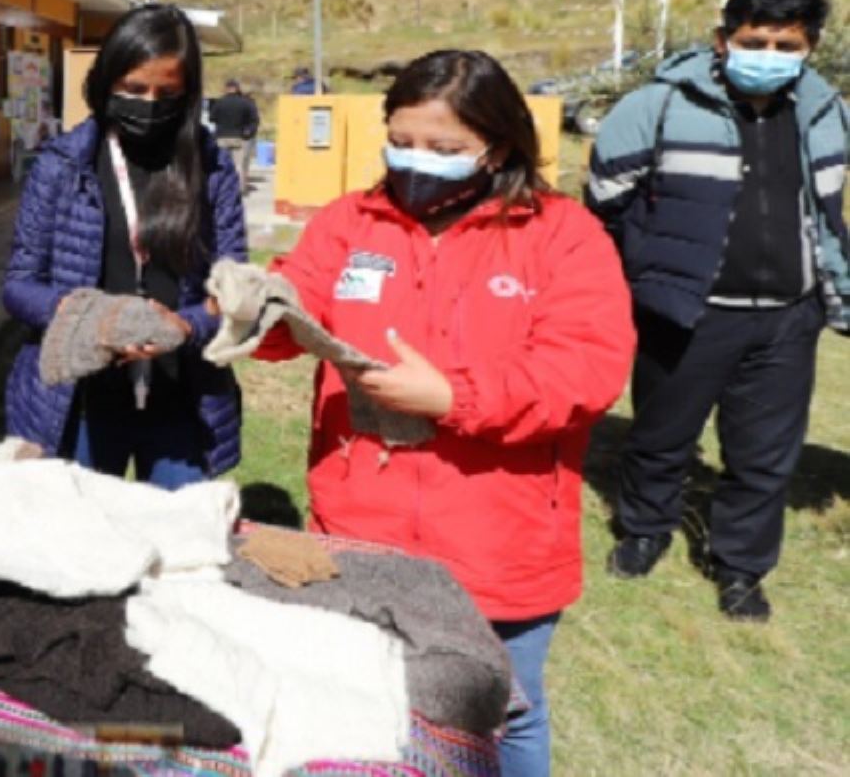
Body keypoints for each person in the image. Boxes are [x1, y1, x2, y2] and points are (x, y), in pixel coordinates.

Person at [254, 50, 633, 777]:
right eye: (401, 140)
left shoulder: (562, 235)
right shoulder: (350, 223)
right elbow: (293, 314)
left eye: (446, 149)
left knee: (502, 709)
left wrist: (454, 399)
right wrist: (252, 309)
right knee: (368, 701)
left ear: (498, 146)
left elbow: (585, 371)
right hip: (361, 526)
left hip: (499, 536)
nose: (416, 160)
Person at [588, 0, 850, 622]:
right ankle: (645, 528)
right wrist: (645, 277)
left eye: (784, 44)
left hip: (789, 317)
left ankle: (739, 568)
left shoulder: (825, 112)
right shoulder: (657, 106)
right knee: (661, 434)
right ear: (721, 40)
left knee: (764, 455)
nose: (767, 53)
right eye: (752, 41)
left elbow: (828, 211)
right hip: (686, 312)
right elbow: (603, 204)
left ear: (809, 47)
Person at [3, 3, 248, 488]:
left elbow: (239, 292)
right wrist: (85, 316)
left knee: (176, 545)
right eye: (134, 89)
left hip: (180, 395)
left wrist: (188, 325)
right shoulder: (62, 165)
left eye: (168, 93)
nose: (149, 103)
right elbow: (18, 287)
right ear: (107, 81)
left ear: (189, 93)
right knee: (86, 546)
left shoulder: (212, 170)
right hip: (83, 401)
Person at [208, 78, 261, 195]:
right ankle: (239, 189)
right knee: (239, 165)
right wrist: (249, 132)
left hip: (222, 137)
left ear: (226, 89)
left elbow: (211, 118)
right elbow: (255, 120)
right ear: (237, 89)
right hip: (239, 137)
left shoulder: (220, 102)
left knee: (220, 164)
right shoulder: (246, 102)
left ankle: (221, 189)